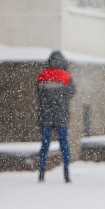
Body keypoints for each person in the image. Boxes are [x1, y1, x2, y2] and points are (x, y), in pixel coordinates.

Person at [37, 50, 75, 183]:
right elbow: (71, 93)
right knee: (64, 144)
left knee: (45, 145)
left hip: (45, 115)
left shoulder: (42, 76)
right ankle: (66, 172)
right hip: (61, 115)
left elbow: (39, 93)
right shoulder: (66, 77)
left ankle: (41, 172)